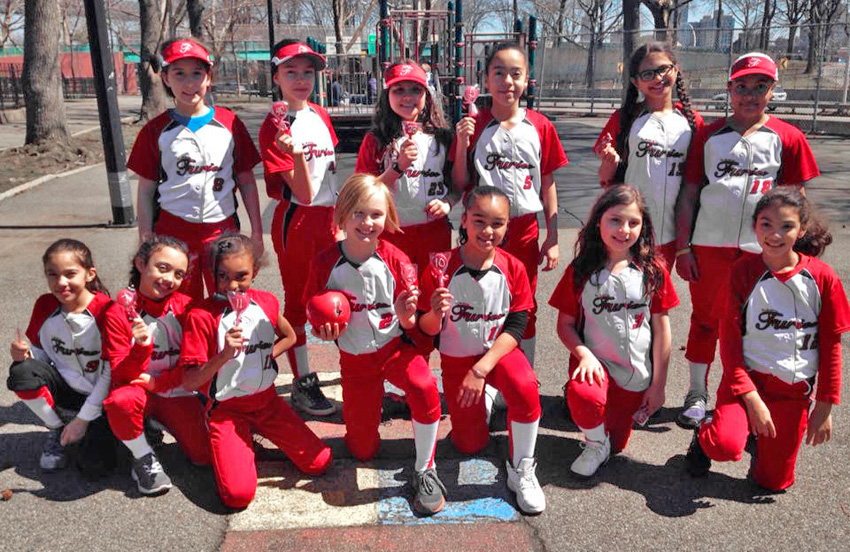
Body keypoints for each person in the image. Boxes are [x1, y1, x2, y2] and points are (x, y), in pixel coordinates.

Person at [674, 52, 820, 428]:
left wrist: (795, 251)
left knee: (754, 324)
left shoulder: (788, 136)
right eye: (742, 86)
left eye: (760, 86)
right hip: (710, 244)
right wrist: (684, 246)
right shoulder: (708, 136)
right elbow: (690, 192)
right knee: (706, 319)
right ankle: (696, 392)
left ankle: (740, 392)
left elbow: (795, 201)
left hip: (763, 251)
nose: (750, 94)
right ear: (730, 89)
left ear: (772, 90)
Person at [685, 188, 849, 492]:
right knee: (725, 445)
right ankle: (705, 435)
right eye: (766, 225)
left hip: (792, 393)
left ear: (801, 228)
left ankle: (757, 440)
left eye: (786, 226)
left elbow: (832, 347)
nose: (775, 234)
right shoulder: (743, 272)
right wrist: (751, 397)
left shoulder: (823, 278)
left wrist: (825, 406)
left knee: (773, 483)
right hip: (746, 385)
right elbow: (731, 347)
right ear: (755, 227)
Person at [305, 174, 445, 516]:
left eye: (376, 215)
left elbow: (413, 325)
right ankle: (375, 409)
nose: (367, 223)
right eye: (358, 213)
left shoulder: (397, 259)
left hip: (393, 350)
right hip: (355, 361)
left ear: (388, 217)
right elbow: (314, 314)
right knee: (362, 450)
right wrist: (323, 331)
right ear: (342, 214)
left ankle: (425, 467)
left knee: (424, 383)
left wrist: (404, 315)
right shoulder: (325, 262)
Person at [179, 234, 332, 509]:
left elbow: (289, 336)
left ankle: (250, 438)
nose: (231, 285)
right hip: (226, 410)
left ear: (255, 272)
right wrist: (224, 355)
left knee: (320, 462)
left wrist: (264, 355)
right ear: (212, 273)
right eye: (222, 276)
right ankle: (229, 440)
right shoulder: (201, 315)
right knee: (237, 496)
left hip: (268, 403)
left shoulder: (266, 302)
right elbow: (190, 380)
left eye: (241, 276)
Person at [418, 186, 545, 515]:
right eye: (479, 221)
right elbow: (426, 330)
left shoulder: (513, 267)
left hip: (495, 356)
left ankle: (522, 469)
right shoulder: (440, 266)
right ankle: (486, 399)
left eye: (498, 223)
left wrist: (481, 370)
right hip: (457, 359)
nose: (488, 231)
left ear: (507, 227)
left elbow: (516, 328)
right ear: (464, 220)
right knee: (469, 444)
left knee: (525, 386)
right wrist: (433, 312)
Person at [549, 185, 678, 478]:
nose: (624, 229)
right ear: (598, 221)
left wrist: (658, 386)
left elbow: (662, 329)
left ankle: (603, 438)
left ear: (643, 225)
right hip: (595, 368)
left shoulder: (653, 270)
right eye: (615, 220)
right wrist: (584, 355)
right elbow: (564, 325)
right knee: (585, 398)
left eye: (633, 222)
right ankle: (594, 442)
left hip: (635, 377)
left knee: (617, 446)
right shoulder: (582, 270)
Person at [453, 42, 568, 368]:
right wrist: (462, 144)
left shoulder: (541, 126)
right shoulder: (476, 125)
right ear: (485, 80)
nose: (507, 81)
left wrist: (553, 236)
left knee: (523, 305)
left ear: (526, 79)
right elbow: (461, 183)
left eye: (515, 74)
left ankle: (523, 374)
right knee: (481, 301)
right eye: (498, 73)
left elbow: (548, 183)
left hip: (524, 229)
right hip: (482, 230)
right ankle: (484, 376)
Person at [128, 37, 264, 301]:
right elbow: (146, 190)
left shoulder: (230, 123)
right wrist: (146, 237)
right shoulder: (155, 130)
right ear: (166, 78)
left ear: (208, 77)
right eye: (179, 74)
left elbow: (247, 181)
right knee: (180, 305)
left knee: (227, 301)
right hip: (174, 232)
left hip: (221, 230)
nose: (189, 83)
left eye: (197, 74)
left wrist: (257, 232)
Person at [258, 39, 339, 416]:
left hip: (329, 218)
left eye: (307, 72)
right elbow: (304, 193)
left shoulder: (320, 114)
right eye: (291, 71)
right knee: (300, 302)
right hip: (299, 220)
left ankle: (357, 370)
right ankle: (303, 383)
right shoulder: (273, 128)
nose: (301, 79)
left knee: (336, 294)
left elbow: (331, 176)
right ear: (276, 76)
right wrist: (294, 152)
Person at [101, 236, 211, 495]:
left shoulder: (187, 309)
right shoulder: (118, 312)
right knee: (120, 402)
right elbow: (121, 373)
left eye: (178, 274)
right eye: (162, 268)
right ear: (140, 263)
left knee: (204, 457)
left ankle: (149, 427)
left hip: (174, 389)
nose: (169, 279)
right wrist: (142, 346)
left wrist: (162, 382)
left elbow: (194, 364)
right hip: (137, 390)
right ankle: (142, 455)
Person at [7, 239, 118, 479]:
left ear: (90, 274)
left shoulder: (107, 310)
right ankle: (56, 428)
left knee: (95, 469)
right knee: (22, 372)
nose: (61, 283)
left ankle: (115, 432)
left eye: (70, 274)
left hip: (104, 394)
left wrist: (83, 419)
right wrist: (23, 356)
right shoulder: (45, 305)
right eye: (52, 274)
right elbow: (41, 357)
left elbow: (111, 373)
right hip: (68, 391)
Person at [593, 41, 703, 269]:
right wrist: (609, 161)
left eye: (663, 69)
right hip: (631, 230)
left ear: (676, 69)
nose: (657, 78)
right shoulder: (624, 119)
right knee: (628, 293)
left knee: (659, 296)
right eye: (647, 74)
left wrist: (686, 240)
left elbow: (696, 180)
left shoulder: (692, 121)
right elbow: (606, 180)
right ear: (635, 81)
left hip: (673, 231)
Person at [355, 60, 456, 276]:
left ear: (427, 95)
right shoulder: (375, 140)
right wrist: (396, 168)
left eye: (415, 90)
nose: (407, 97)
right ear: (387, 95)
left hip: (434, 233)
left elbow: (458, 183)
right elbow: (361, 194)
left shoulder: (443, 137)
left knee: (433, 299)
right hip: (390, 234)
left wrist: (449, 202)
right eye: (398, 90)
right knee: (396, 299)